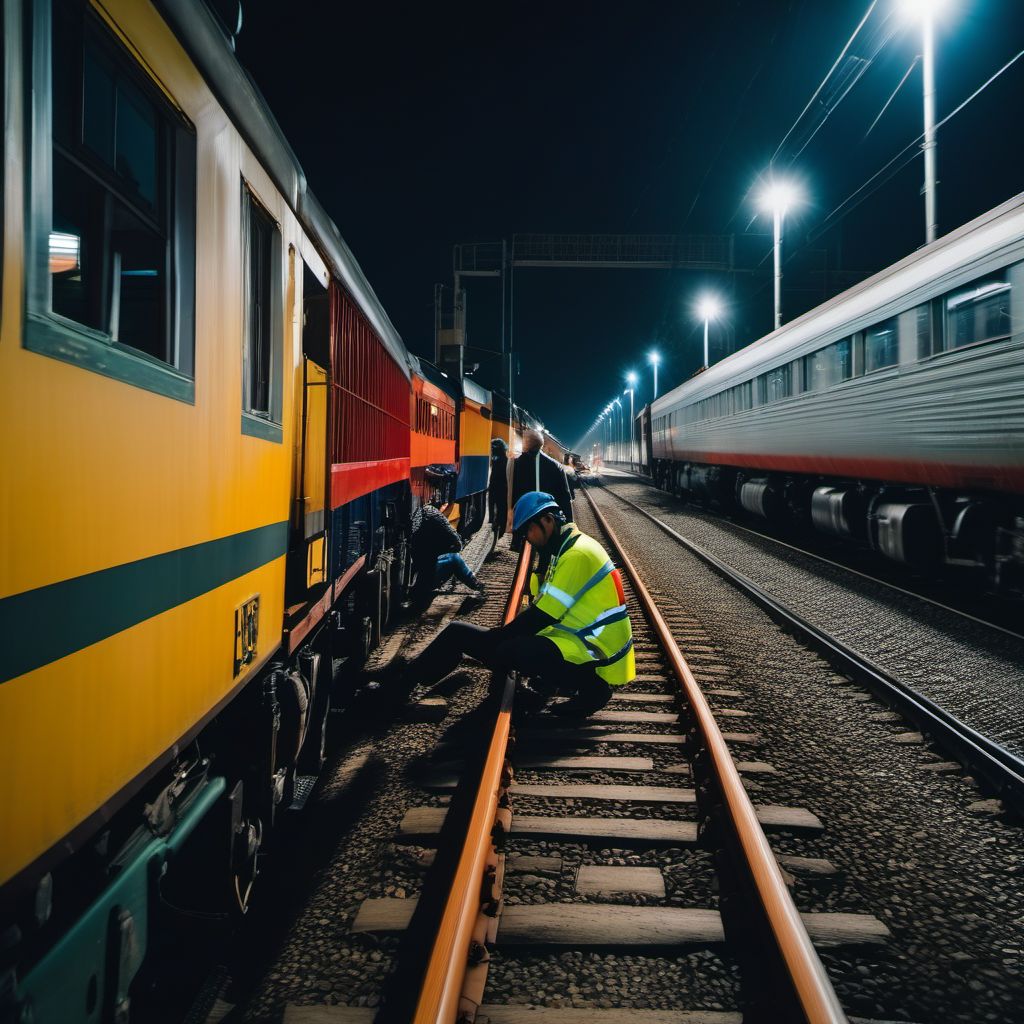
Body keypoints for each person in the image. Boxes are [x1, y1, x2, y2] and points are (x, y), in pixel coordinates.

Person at [367, 492, 635, 718]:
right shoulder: (567, 548)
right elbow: (543, 608)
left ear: (547, 521)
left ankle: (592, 689)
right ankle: (400, 689)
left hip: (592, 652)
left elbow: (543, 614)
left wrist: (500, 637)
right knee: (457, 632)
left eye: (529, 530)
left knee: (510, 650)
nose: (527, 538)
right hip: (573, 641)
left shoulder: (577, 554)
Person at [409, 502, 485, 610]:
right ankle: (478, 587)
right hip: (423, 583)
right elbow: (457, 544)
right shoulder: (430, 513)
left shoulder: (408, 518)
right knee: (454, 558)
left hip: (411, 578)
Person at [507, 429, 573, 524]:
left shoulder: (515, 464)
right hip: (547, 520)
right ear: (541, 445)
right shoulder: (556, 466)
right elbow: (565, 498)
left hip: (522, 518)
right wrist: (569, 522)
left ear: (526, 444)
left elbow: (510, 492)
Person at [488, 437, 509, 541]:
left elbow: (493, 478)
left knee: (496, 509)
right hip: (503, 490)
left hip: (496, 489)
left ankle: (494, 524)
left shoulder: (496, 461)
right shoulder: (506, 461)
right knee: (502, 511)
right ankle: (499, 532)